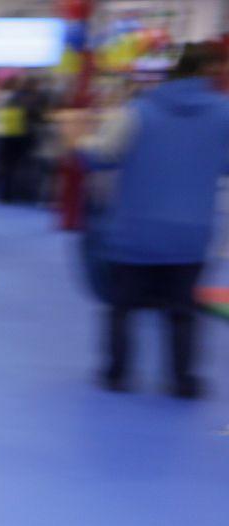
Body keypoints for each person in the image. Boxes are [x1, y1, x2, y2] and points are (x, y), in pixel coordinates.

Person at [64, 42, 229, 398]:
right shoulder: (224, 113)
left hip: (135, 233)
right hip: (192, 234)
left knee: (122, 308)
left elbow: (100, 158)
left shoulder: (137, 111)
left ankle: (117, 375)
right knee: (183, 312)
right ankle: (182, 381)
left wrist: (77, 141)